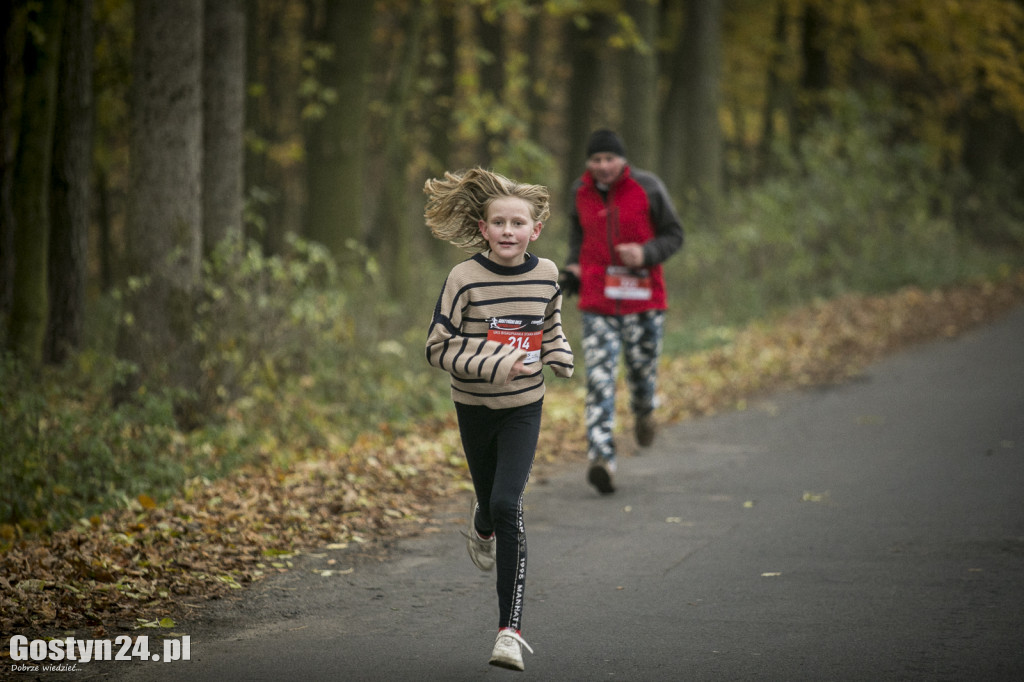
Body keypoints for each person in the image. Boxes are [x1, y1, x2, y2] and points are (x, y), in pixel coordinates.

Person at [424, 168, 574, 671]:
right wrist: (495, 361)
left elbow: (547, 323)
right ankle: (481, 522)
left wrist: (558, 353)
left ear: (535, 229)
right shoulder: (464, 279)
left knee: (509, 502)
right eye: (499, 223)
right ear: (483, 228)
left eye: (518, 223)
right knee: (488, 503)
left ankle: (508, 633)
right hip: (474, 407)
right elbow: (437, 347)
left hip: (524, 407)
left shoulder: (547, 272)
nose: (508, 231)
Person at [561, 129, 683, 495]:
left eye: (608, 159)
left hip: (643, 300)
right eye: (595, 160)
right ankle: (602, 459)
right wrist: (572, 268)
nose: (602, 166)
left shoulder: (648, 187)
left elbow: (675, 234)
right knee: (599, 380)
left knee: (642, 374)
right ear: (588, 163)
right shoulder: (578, 192)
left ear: (622, 160)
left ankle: (644, 410)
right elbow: (577, 238)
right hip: (598, 301)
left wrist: (646, 253)